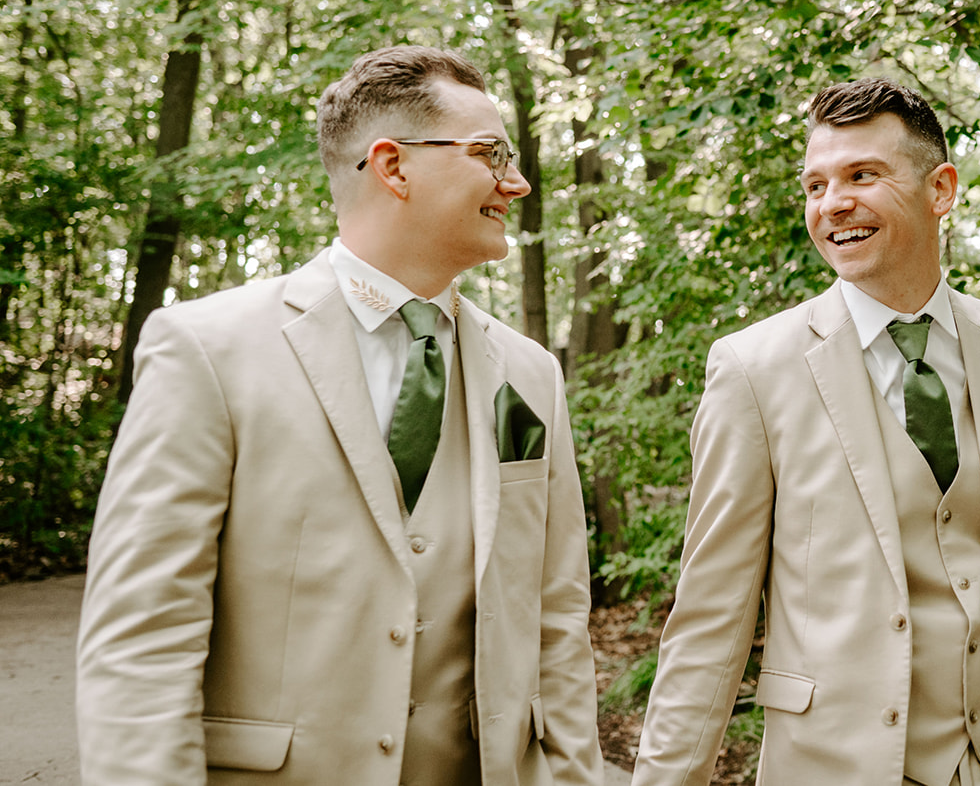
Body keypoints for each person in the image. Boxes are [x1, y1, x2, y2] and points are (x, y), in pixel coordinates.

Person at [77, 45, 603, 786]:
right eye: (491, 154)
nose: (514, 182)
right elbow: (141, 642)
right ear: (393, 167)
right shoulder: (207, 350)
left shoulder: (530, 374)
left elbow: (556, 624)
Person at [631, 79, 980, 786]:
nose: (832, 204)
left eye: (862, 176)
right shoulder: (754, 370)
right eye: (815, 185)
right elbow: (709, 622)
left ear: (941, 189)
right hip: (840, 766)